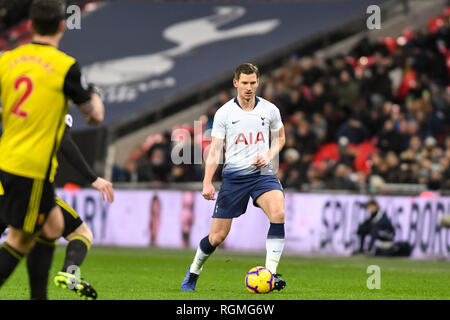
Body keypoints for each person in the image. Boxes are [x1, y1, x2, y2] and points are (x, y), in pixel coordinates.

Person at [0, 0, 104, 296]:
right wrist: (95, 95)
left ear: (30, 26)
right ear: (62, 25)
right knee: (20, 240)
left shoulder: (6, 60)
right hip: (31, 168)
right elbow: (94, 117)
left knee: (54, 226)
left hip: (7, 161)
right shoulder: (65, 67)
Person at [181, 63, 286, 291]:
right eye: (244, 83)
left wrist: (269, 154)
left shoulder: (270, 110)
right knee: (217, 237)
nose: (249, 87)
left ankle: (272, 274)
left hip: (262, 175)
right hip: (234, 178)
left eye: (252, 83)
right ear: (235, 83)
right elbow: (216, 150)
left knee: (278, 213)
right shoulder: (224, 113)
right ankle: (194, 270)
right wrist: (207, 181)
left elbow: (280, 138)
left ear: (258, 82)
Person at [0, 114, 114, 300]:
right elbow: (64, 140)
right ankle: (69, 272)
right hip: (28, 185)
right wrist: (93, 178)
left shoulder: (18, 102)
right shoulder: (53, 104)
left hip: (6, 180)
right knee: (79, 232)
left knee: (27, 237)